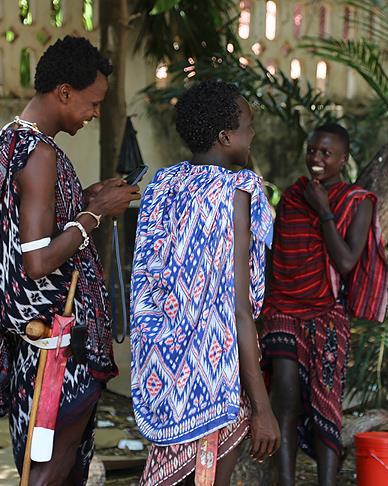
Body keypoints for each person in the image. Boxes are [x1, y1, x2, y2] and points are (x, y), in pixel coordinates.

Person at [0, 36, 140, 484]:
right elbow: (35, 261)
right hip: (55, 345)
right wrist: (94, 215)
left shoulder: (11, 140)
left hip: (40, 339)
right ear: (64, 92)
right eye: (92, 103)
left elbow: (33, 226)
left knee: (58, 461)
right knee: (51, 465)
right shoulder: (39, 153)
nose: (94, 114)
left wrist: (85, 199)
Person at [129, 80, 280, 486]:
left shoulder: (164, 185)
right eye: (248, 127)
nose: (252, 135)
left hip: (166, 375)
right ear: (225, 136)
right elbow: (239, 308)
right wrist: (263, 408)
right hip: (215, 380)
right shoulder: (237, 191)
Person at [260, 123, 388, 486]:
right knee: (284, 394)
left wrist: (324, 211)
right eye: (312, 150)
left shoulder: (357, 201)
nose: (316, 158)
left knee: (325, 403)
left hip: (327, 311)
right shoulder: (292, 197)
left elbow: (347, 261)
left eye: (325, 153)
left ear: (343, 159)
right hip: (283, 307)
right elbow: (279, 258)